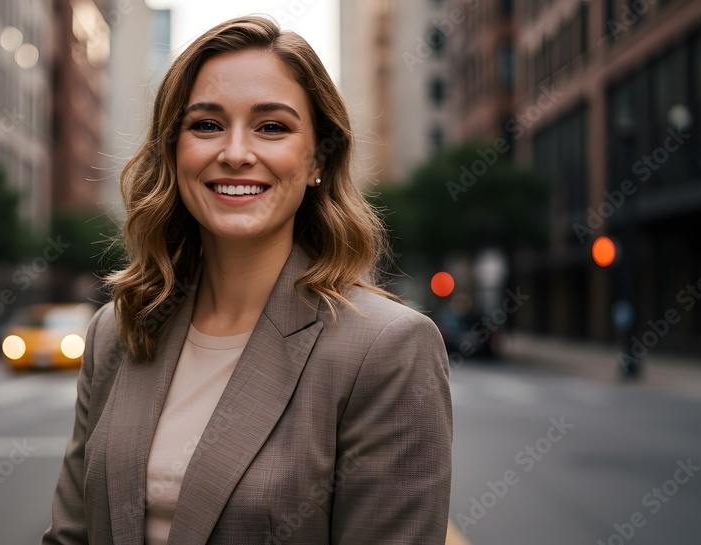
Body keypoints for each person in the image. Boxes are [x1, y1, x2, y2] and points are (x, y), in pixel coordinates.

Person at [42, 16, 452, 545]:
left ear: (317, 159)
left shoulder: (389, 349)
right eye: (206, 125)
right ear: (173, 151)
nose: (235, 153)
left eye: (272, 127)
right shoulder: (116, 332)